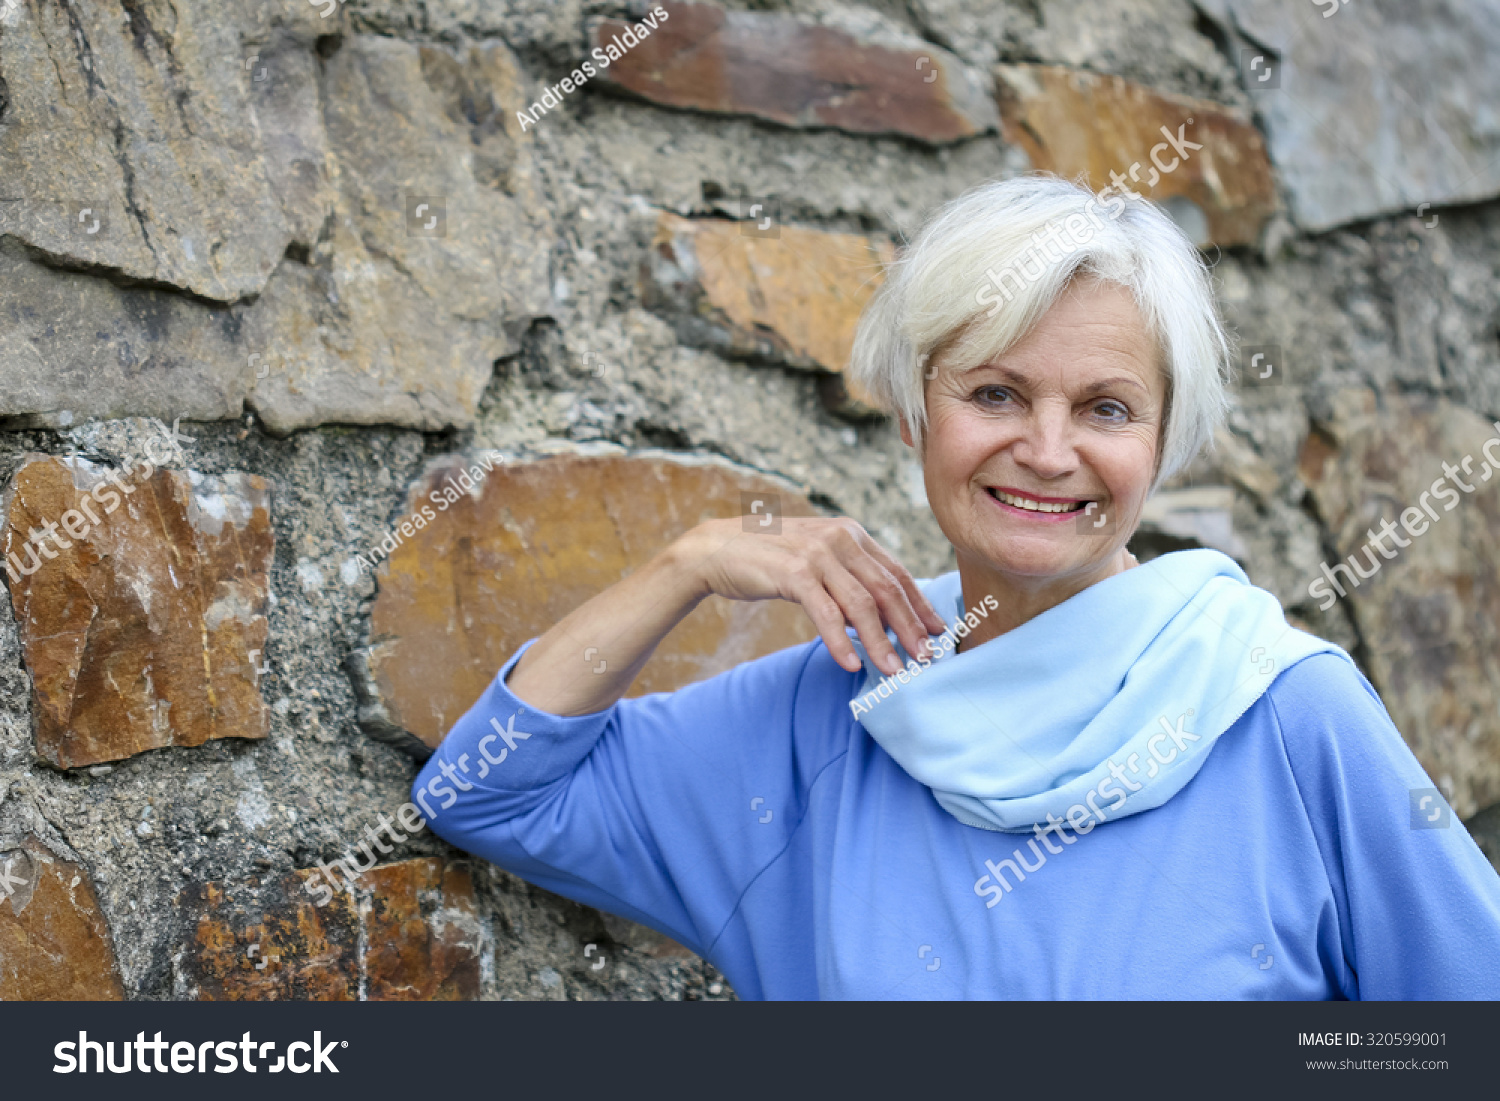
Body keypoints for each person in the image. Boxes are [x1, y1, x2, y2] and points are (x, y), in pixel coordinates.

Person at [414, 174, 1500, 999]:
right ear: (913, 412)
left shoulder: (1287, 713)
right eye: (995, 392)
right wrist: (686, 563)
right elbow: (489, 790)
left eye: (1108, 409)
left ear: (1162, 446)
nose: (1046, 448)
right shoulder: (834, 708)